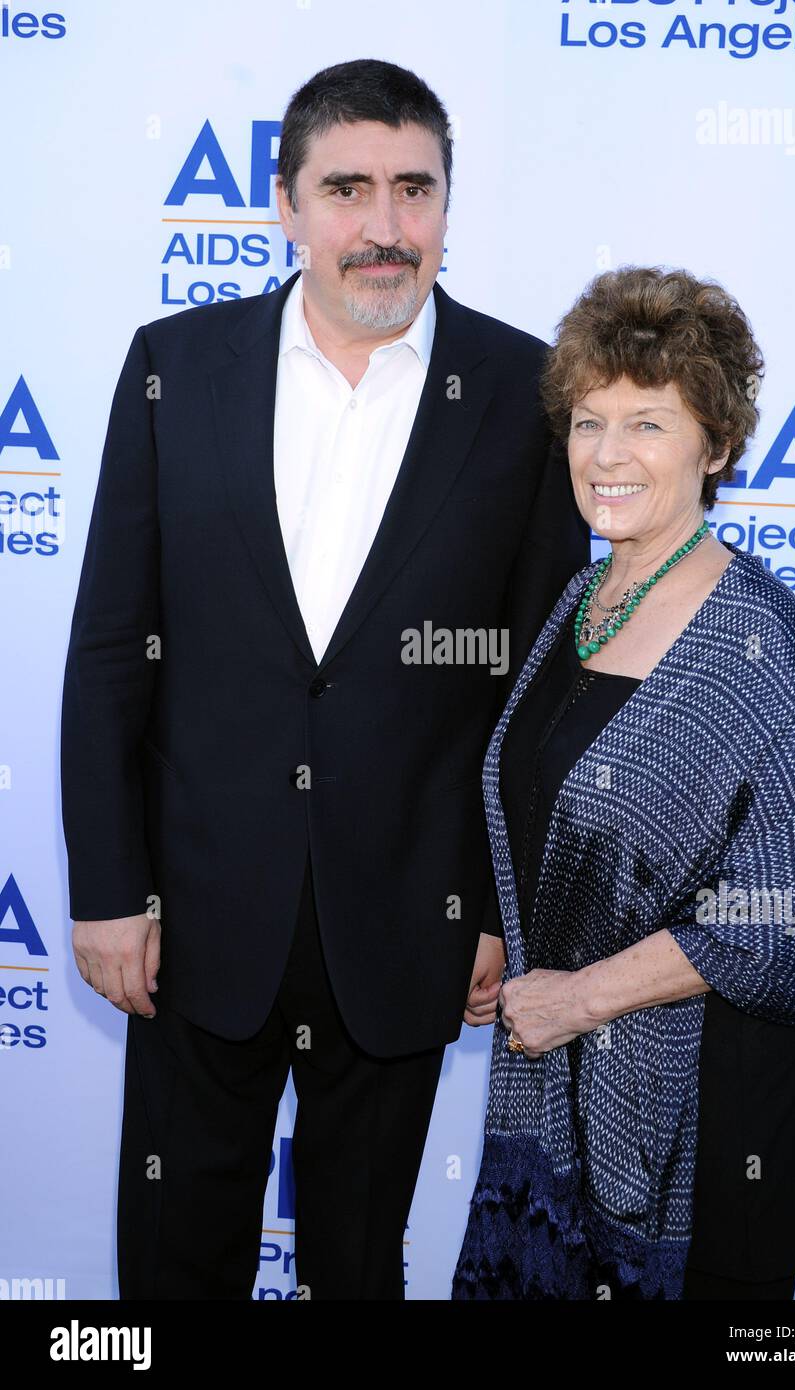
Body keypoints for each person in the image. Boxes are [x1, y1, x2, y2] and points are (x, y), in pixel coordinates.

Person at [60, 58, 589, 1300]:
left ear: (448, 211)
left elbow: (537, 694)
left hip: (408, 921)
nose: (384, 226)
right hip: (193, 919)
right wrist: (104, 888)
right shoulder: (172, 368)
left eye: (415, 190)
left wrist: (499, 907)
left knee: (361, 1264)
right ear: (286, 204)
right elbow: (105, 648)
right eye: (346, 189)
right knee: (173, 1263)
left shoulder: (523, 395)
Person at [452, 266, 795, 1301]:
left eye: (646, 424)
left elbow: (775, 917)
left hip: (712, 1127)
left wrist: (578, 998)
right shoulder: (585, 596)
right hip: (563, 1091)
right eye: (587, 423)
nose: (607, 455)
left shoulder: (750, 634)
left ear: (714, 447)